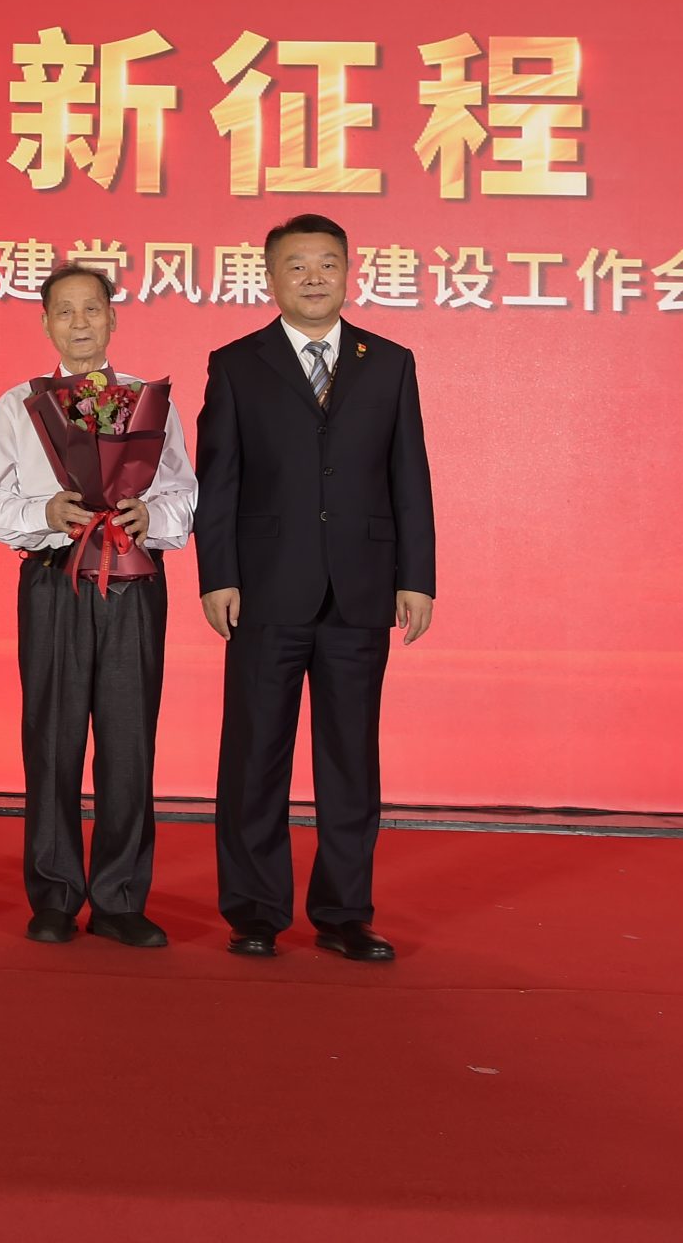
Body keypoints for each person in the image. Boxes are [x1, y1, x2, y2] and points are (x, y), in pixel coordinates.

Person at [195, 213, 435, 962]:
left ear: (348, 272)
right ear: (270, 277)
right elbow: (218, 481)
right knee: (254, 757)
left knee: (350, 759)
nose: (313, 278)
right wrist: (218, 575)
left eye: (327, 263)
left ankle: (344, 914)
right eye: (296, 265)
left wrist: (417, 578)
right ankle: (254, 911)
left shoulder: (389, 363)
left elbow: (409, 476)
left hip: (361, 591)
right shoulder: (237, 364)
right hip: (265, 590)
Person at [0, 264, 195, 948]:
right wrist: (45, 512)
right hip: (53, 583)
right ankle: (55, 895)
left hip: (132, 582)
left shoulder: (148, 403)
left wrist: (149, 515)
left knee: (129, 743)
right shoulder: (19, 405)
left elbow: (183, 494)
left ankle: (121, 898)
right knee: (52, 740)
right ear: (46, 324)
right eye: (64, 312)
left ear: (112, 318)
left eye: (91, 310)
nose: (79, 324)